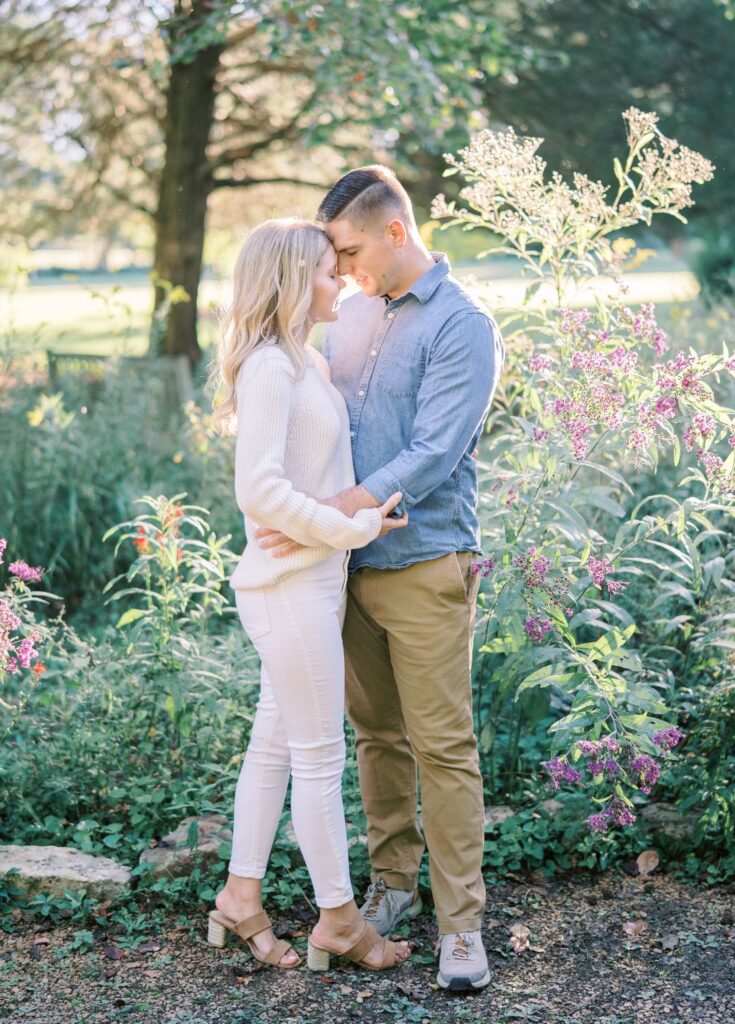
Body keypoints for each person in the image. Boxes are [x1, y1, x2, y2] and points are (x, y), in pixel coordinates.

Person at [255, 168, 504, 991]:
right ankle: (394, 887)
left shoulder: (464, 327)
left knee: (443, 747)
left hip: (425, 563)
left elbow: (432, 454)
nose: (342, 266)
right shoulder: (348, 316)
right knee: (375, 738)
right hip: (343, 568)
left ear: (396, 232)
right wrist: (296, 513)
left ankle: (462, 927)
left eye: (351, 250)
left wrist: (322, 511)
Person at [208, 217, 410, 973]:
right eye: (329, 271)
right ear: (295, 281)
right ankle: (340, 921)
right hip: (291, 592)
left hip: (309, 587)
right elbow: (258, 487)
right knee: (322, 761)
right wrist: (349, 527)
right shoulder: (271, 368)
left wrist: (337, 525)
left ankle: (240, 896)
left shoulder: (304, 363)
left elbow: (301, 478)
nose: (341, 280)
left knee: (276, 748)